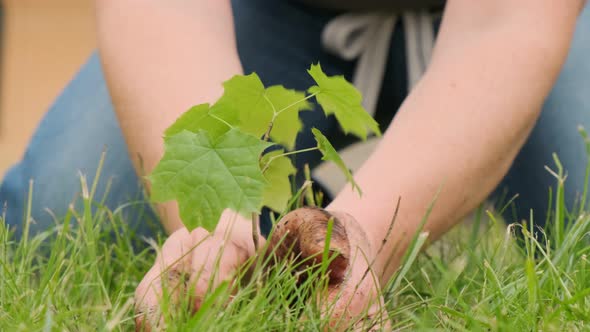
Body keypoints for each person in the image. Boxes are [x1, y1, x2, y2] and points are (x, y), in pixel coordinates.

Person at [1, 0, 588, 328]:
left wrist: (360, 238)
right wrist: (213, 217)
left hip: (508, 20)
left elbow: (509, 24)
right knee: (56, 209)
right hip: (266, 10)